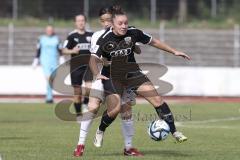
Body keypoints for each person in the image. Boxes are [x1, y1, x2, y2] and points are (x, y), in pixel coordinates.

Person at [90, 7, 190, 153]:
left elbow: (153, 41)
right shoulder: (105, 39)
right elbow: (93, 59)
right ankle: (100, 130)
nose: (124, 26)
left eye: (126, 23)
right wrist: (96, 73)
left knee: (157, 100)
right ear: (113, 24)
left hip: (132, 73)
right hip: (112, 75)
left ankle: (174, 132)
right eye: (120, 23)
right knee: (115, 109)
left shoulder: (134, 32)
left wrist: (174, 51)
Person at [73, 6, 143, 157]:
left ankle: (128, 147)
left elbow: (137, 50)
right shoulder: (98, 35)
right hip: (103, 76)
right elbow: (97, 59)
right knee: (92, 107)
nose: (106, 23)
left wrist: (132, 43)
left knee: (126, 111)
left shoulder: (124, 32)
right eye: (104, 20)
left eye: (109, 19)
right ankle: (80, 144)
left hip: (123, 77)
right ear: (100, 21)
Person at [62, 14, 93, 116]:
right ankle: (79, 114)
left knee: (89, 87)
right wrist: (72, 50)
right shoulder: (72, 36)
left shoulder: (91, 35)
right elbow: (63, 50)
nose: (81, 22)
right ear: (75, 23)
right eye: (79, 21)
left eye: (82, 20)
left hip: (88, 65)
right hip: (76, 67)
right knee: (77, 92)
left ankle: (85, 102)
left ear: (85, 22)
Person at [32, 25, 65, 103]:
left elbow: (59, 50)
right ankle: (49, 97)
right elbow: (38, 50)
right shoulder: (41, 39)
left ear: (53, 30)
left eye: (51, 30)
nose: (49, 31)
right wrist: (36, 60)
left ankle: (49, 96)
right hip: (45, 61)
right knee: (48, 79)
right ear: (45, 31)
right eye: (48, 30)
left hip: (54, 61)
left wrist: (62, 59)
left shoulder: (57, 39)